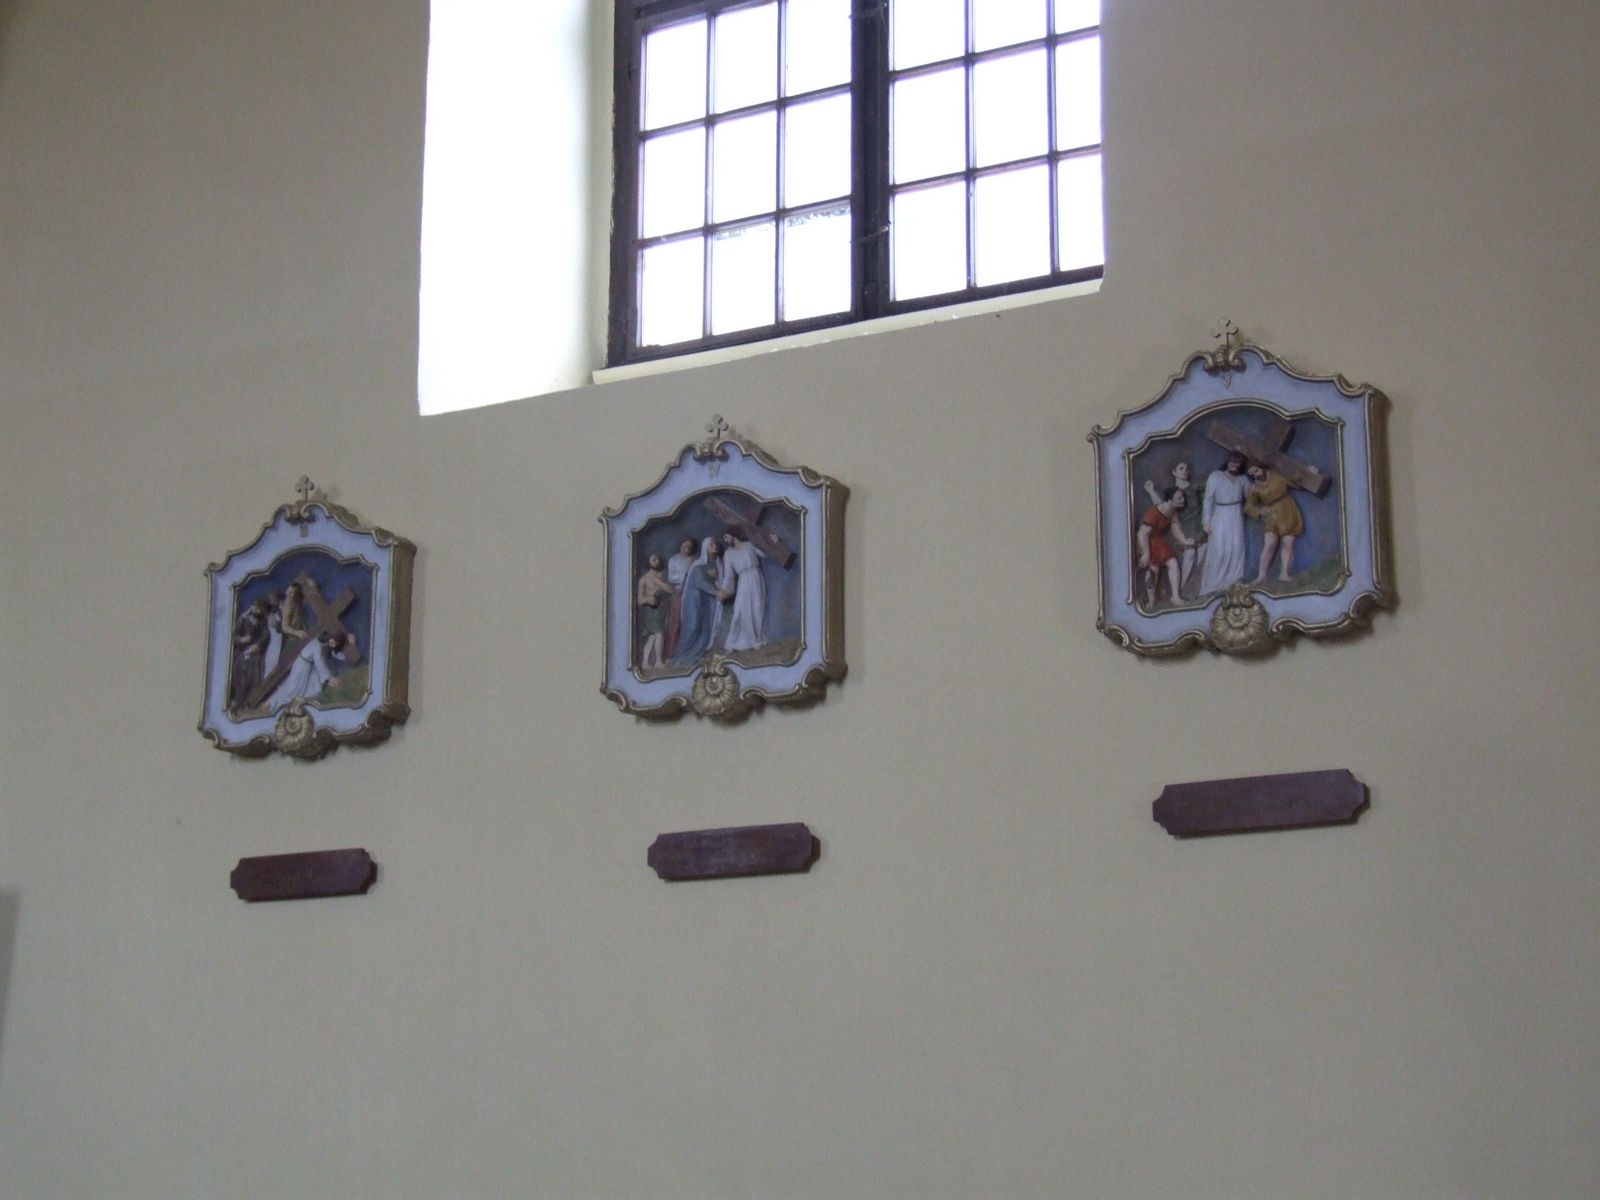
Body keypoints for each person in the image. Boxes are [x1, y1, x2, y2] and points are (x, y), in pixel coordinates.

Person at [1144, 460, 1204, 594]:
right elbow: (1163, 508)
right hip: (1181, 527)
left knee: (1202, 557)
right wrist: (1151, 491)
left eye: (1186, 468)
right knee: (1189, 555)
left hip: (1197, 527)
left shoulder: (1195, 488)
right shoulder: (1172, 491)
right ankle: (1181, 590)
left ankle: (1196, 590)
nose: (1185, 471)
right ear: (1174, 472)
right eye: (1181, 468)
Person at [1197, 451, 1250, 595]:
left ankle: (1234, 580)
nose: (1234, 465)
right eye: (1232, 461)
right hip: (1219, 514)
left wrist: (1248, 508)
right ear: (1227, 462)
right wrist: (1206, 521)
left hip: (1236, 515)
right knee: (1219, 549)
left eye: (1238, 463)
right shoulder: (1215, 476)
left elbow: (1251, 497)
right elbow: (1208, 499)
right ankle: (1215, 583)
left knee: (1236, 546)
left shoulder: (1243, 479)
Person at [1245, 463, 1305, 584]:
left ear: (1262, 467)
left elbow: (1296, 482)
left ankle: (1284, 573)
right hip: (1271, 515)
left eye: (1256, 471)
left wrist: (1308, 472)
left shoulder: (1277, 476)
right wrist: (1259, 511)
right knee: (1269, 544)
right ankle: (1261, 576)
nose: (1255, 475)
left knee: (1288, 543)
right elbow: (1248, 506)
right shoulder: (1255, 488)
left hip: (1287, 510)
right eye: (1252, 475)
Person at [1137, 487, 1194, 609]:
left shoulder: (1173, 512)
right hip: (1146, 542)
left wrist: (1185, 541)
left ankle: (1175, 597)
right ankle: (1151, 600)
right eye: (1179, 498)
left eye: (1182, 497)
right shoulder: (1154, 512)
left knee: (1173, 563)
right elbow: (1142, 534)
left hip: (1157, 540)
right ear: (1169, 499)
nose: (1182, 500)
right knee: (1153, 569)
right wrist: (1146, 553)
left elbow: (1176, 530)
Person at [671, 538, 725, 665]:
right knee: (693, 625)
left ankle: (697, 653)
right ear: (705, 548)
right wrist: (717, 592)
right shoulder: (698, 565)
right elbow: (701, 582)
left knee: (704, 626)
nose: (715, 546)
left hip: (706, 601)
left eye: (715, 544)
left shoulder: (716, 564)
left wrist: (716, 581)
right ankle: (681, 655)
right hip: (693, 599)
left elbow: (718, 581)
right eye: (711, 545)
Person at [718, 526, 768, 653]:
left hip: (755, 577)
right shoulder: (728, 554)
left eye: (726, 536)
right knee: (738, 611)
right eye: (724, 538)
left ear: (732, 534)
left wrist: (773, 542)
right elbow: (728, 575)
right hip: (743, 581)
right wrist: (724, 589)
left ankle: (755, 639)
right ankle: (733, 641)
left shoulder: (749, 545)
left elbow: (764, 553)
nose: (725, 540)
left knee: (756, 607)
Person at [228, 598, 270, 714]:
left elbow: (265, 635)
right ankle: (238, 700)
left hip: (255, 654)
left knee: (255, 677)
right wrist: (242, 640)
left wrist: (258, 645)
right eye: (254, 607)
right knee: (242, 678)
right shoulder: (242, 619)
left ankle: (251, 702)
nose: (256, 610)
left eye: (259, 608)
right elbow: (233, 637)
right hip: (242, 653)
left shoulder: (262, 621)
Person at [635, 552, 674, 670]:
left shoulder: (661, 577)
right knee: (659, 634)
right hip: (652, 611)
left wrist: (659, 583)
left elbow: (670, 590)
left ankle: (645, 662)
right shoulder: (644, 579)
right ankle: (658, 661)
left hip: (662, 610)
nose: (657, 561)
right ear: (649, 563)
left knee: (652, 636)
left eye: (658, 559)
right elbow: (640, 599)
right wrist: (648, 599)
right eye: (654, 559)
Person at [663, 538, 696, 659]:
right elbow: (671, 577)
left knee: (690, 621)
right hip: (678, 592)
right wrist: (685, 572)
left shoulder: (692, 559)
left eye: (690, 546)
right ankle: (671, 652)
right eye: (685, 545)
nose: (687, 548)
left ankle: (687, 651)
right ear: (680, 546)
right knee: (675, 622)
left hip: (691, 592)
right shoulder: (674, 559)